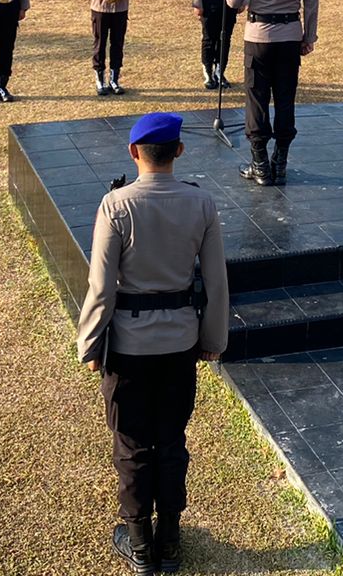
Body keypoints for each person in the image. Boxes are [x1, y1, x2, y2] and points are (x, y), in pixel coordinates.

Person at [75, 111, 229, 576]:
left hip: (127, 347)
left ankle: (140, 544)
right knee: (171, 440)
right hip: (180, 343)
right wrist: (213, 338)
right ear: (179, 151)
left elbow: (101, 288)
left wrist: (89, 344)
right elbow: (217, 283)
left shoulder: (115, 206)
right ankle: (171, 540)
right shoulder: (201, 204)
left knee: (132, 444)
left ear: (133, 153)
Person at [224, 0, 319, 186]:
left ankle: (260, 164)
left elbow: (233, 1)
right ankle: (280, 162)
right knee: (285, 98)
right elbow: (311, 1)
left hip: (259, 36)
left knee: (257, 99)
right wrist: (309, 36)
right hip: (290, 34)